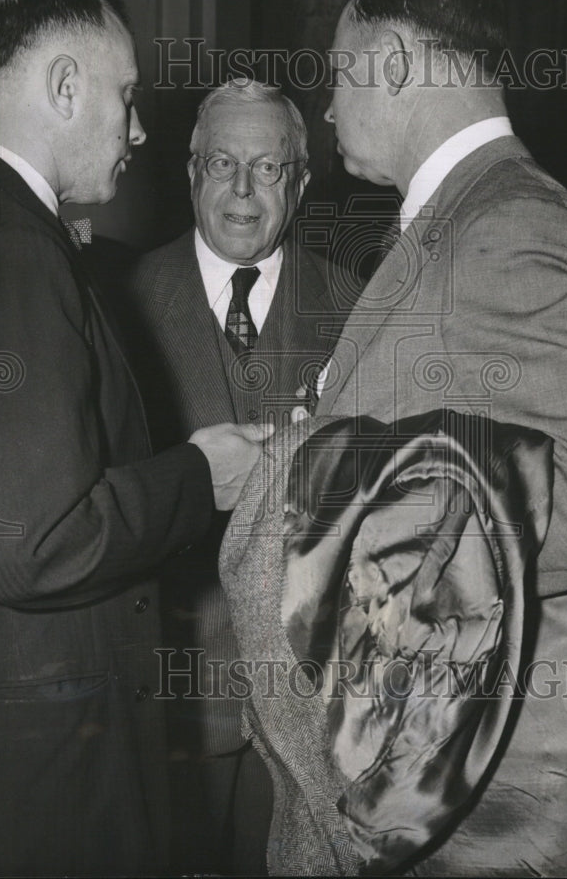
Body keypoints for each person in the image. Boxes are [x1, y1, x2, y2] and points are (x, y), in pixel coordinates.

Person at [0, 0, 270, 878]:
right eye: (127, 97)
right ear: (64, 88)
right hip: (46, 777)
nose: (139, 129)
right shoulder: (17, 246)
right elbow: (35, 543)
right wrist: (199, 476)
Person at [313, 0, 567, 876]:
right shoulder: (466, 213)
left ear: (398, 64)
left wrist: (377, 538)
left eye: (338, 73)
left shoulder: (509, 223)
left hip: (483, 797)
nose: (327, 108)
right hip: (441, 770)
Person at [132, 79, 347, 875]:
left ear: (300, 181)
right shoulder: (114, 302)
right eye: (222, 163)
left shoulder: (358, 306)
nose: (243, 193)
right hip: (169, 702)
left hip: (311, 716)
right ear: (188, 172)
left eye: (268, 168)